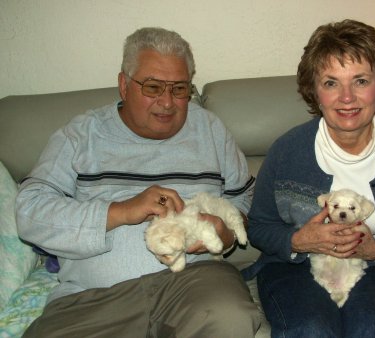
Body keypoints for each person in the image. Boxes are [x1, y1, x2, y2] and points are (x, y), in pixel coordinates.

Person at [16, 27, 260, 338]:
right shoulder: (81, 135)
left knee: (230, 317)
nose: (168, 102)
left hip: (196, 286)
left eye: (179, 88)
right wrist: (120, 211)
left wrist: (225, 232)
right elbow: (29, 211)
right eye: (153, 86)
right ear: (124, 85)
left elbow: (246, 200)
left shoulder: (210, 130)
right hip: (93, 298)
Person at [242, 19, 375, 337]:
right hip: (296, 268)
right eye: (331, 82)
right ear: (315, 91)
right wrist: (298, 241)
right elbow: (260, 228)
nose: (347, 97)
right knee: (310, 328)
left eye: (360, 81)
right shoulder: (286, 151)